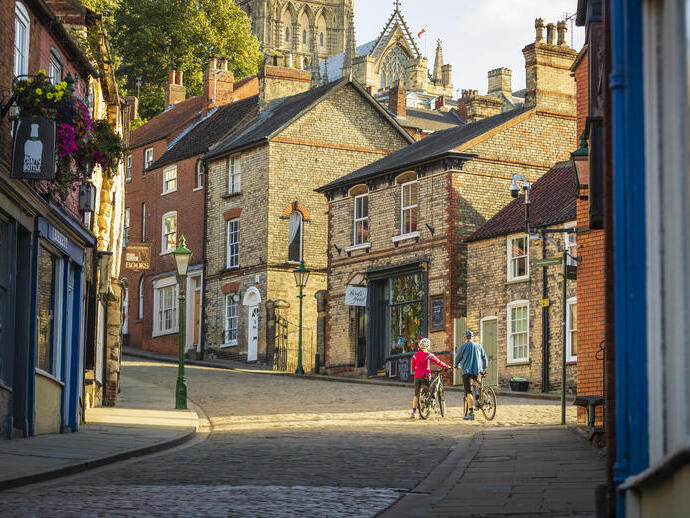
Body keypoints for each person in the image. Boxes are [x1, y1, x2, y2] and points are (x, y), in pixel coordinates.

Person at [410, 337, 450, 419]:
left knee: (416, 395)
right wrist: (447, 366)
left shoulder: (415, 356)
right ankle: (428, 404)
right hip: (426, 376)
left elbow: (413, 368)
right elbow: (438, 362)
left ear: (419, 345)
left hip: (417, 376)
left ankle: (413, 413)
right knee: (429, 390)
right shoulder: (429, 355)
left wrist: (417, 369)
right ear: (428, 346)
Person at [454, 329, 488, 420]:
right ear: (472, 337)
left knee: (468, 392)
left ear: (464, 337)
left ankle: (471, 413)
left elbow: (458, 358)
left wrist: (456, 365)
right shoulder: (479, 346)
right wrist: (484, 367)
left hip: (466, 371)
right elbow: (484, 358)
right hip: (477, 370)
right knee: (478, 384)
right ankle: (480, 396)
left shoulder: (463, 346)